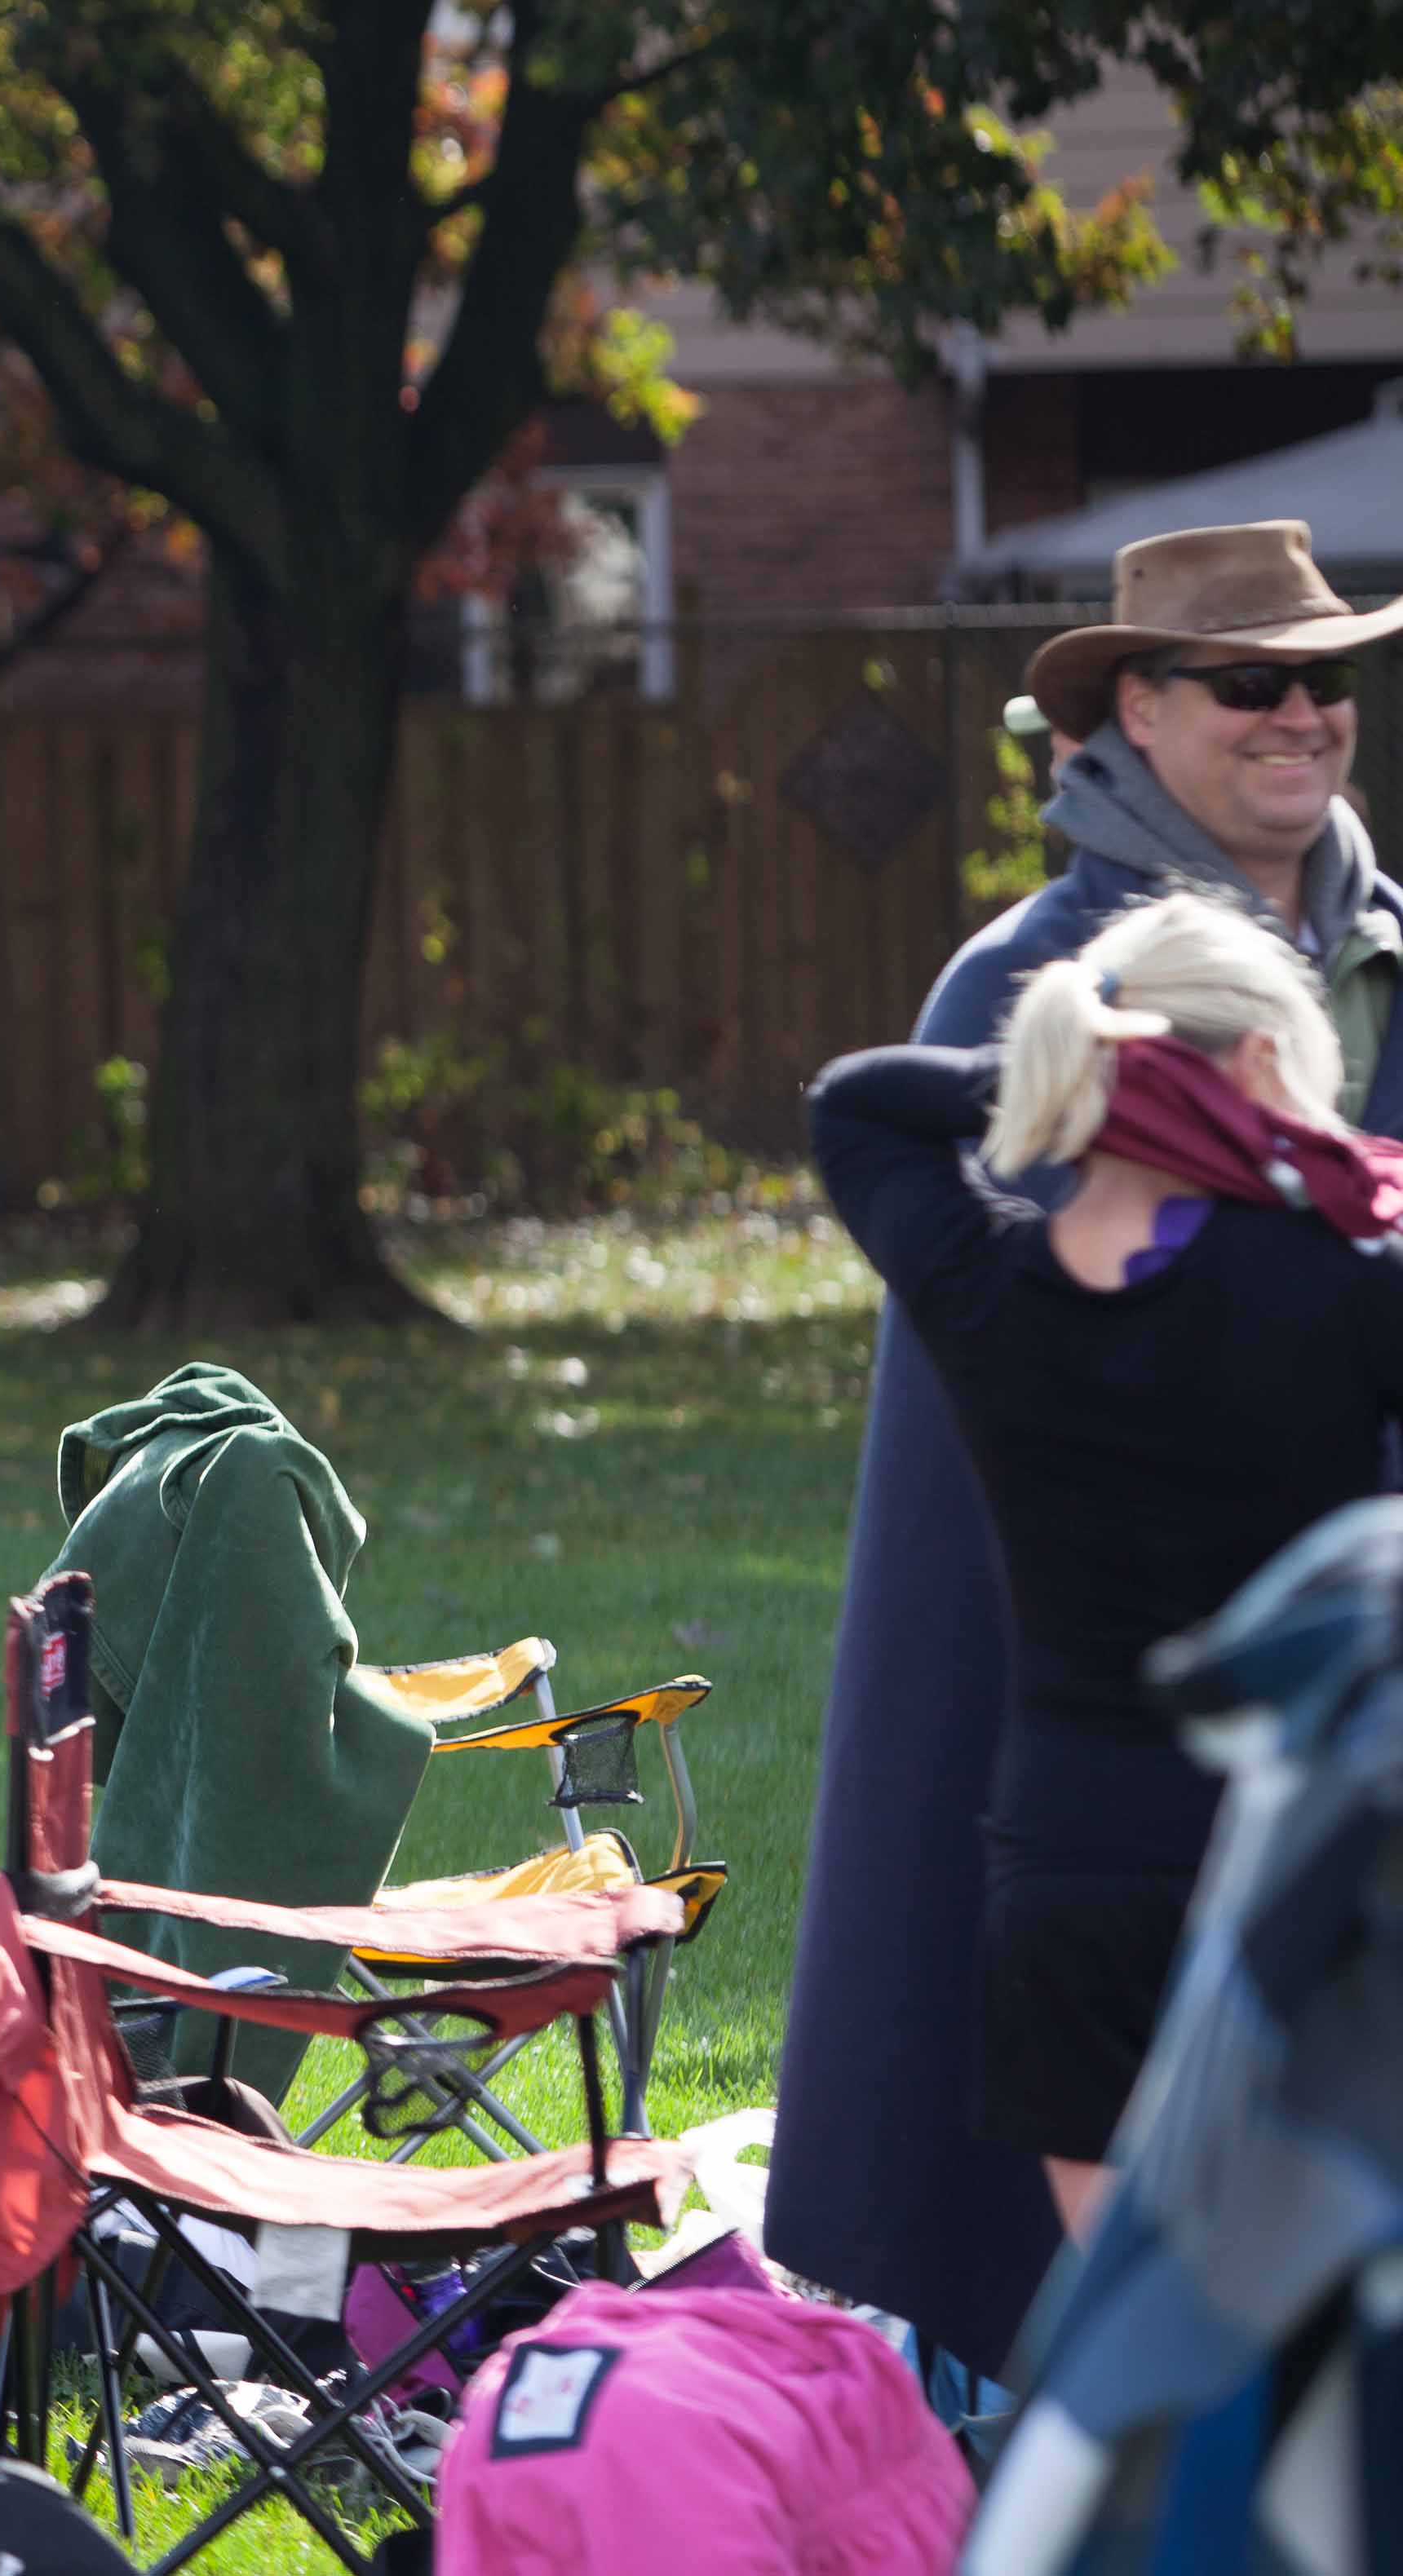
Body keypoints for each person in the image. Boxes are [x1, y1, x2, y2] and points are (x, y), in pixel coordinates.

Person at [772, 518, 1403, 2376]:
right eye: (1248, 682)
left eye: (1325, 680)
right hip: (1089, 1696)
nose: (1300, 716)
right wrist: (1118, 1075)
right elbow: (1046, 1333)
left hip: (1345, 1708)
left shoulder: (1386, 955)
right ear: (1136, 708)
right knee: (1098, 2203)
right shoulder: (1028, 979)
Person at [809, 895, 1403, 2234]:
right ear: (1257, 1066)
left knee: (1130, 2312)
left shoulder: (987, 1284)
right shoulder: (1339, 1278)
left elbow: (858, 1106)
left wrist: (1077, 1073)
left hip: (1073, 1872)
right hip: (1303, 1853)